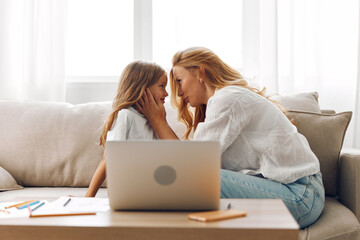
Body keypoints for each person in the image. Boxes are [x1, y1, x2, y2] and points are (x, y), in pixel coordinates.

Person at [137, 47, 325, 229]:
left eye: (179, 81)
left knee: (196, 177)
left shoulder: (227, 99)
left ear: (200, 73)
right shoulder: (222, 101)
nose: (178, 92)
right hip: (293, 191)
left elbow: (191, 165)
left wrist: (158, 121)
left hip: (301, 195)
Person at [85, 60, 169, 197]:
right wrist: (89, 196)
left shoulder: (153, 120)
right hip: (128, 191)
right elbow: (108, 159)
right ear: (144, 88)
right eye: (162, 86)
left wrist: (161, 121)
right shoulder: (125, 116)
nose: (166, 94)